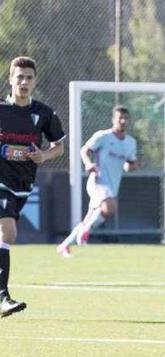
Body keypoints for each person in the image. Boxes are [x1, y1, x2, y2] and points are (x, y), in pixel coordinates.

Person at [0, 56, 65, 317]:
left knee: (4, 235)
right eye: (20, 77)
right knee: (8, 232)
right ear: (10, 80)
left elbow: (59, 146)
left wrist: (44, 156)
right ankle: (3, 297)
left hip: (23, 185)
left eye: (29, 78)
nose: (24, 82)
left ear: (35, 81)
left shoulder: (44, 114)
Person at [56, 106, 140, 257]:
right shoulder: (103, 136)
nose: (123, 121)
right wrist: (88, 163)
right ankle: (85, 230)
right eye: (120, 118)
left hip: (113, 184)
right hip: (98, 181)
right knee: (111, 207)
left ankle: (64, 245)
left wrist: (133, 166)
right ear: (113, 119)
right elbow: (84, 150)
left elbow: (129, 165)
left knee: (91, 217)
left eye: (126, 118)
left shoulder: (130, 142)